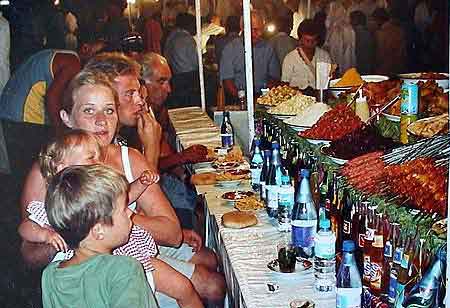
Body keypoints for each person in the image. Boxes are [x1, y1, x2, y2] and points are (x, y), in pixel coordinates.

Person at [19, 129, 204, 308]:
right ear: (62, 167)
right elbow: (26, 226)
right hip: (112, 260)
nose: (99, 162)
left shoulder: (101, 189)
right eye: (91, 158)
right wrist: (44, 235)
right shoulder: (58, 202)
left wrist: (141, 183)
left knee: (183, 287)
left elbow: (126, 196)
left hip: (121, 253)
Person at [41, 164, 159, 308]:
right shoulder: (124, 270)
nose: (130, 213)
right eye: (123, 210)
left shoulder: (50, 276)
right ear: (98, 231)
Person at [220, 10, 280, 103]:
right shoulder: (230, 49)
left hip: (263, 98)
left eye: (260, 30)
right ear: (242, 28)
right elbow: (227, 82)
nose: (258, 34)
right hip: (237, 98)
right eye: (254, 30)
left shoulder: (268, 48)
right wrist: (243, 99)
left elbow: (274, 77)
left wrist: (264, 97)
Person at [281, 19, 332, 90]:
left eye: (313, 41)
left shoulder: (324, 56)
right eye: (307, 40)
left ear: (317, 40)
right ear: (300, 39)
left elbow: (329, 81)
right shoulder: (290, 58)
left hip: (319, 96)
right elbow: (284, 84)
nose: (310, 44)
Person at [163, 13, 200, 108]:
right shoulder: (188, 39)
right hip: (189, 78)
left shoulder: (170, 37)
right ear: (188, 25)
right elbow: (196, 62)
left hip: (175, 78)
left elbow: (166, 57)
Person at [323, 0, 356, 75]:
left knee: (348, 58)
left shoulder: (354, 6)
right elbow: (328, 24)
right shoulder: (333, 5)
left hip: (350, 36)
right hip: (336, 36)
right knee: (335, 58)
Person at [372, 8, 407, 75]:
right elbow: (403, 51)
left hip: (385, 69)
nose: (373, 22)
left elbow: (379, 54)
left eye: (374, 20)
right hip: (399, 67)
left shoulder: (380, 33)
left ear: (379, 19)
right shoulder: (399, 30)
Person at [350, 10, 375, 74]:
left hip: (359, 65)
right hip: (367, 65)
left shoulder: (354, 33)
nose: (350, 21)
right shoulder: (369, 33)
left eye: (351, 19)